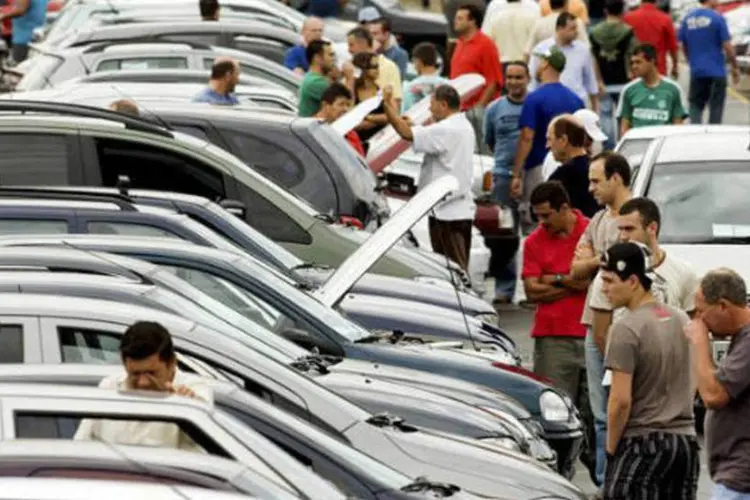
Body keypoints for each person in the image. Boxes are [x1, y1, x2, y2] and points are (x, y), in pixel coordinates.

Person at [600, 241, 699, 500]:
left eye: (610, 281)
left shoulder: (625, 328)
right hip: (684, 444)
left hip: (643, 443)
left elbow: (620, 401)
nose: (604, 288)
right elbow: (695, 377)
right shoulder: (681, 319)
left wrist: (611, 450)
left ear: (633, 281)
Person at [572, 151, 632, 488]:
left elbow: (629, 258)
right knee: (599, 415)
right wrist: (603, 257)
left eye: (597, 180)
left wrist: (595, 258)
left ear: (616, 178)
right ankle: (604, 481)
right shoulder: (597, 220)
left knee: (623, 408)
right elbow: (576, 269)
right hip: (594, 323)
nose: (591, 188)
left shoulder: (636, 212)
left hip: (624, 327)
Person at [74, 321, 214, 449]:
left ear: (172, 363)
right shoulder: (109, 389)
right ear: (125, 365)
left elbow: (208, 447)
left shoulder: (195, 391)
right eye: (134, 374)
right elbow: (81, 446)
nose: (143, 383)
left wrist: (187, 409)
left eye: (151, 374)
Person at [381, 83, 476, 272]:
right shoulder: (462, 125)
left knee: (453, 272)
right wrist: (411, 124)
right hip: (457, 209)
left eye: (431, 104)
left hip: (447, 213)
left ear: (443, 105)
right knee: (454, 268)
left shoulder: (447, 129)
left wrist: (385, 105)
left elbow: (405, 133)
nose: (429, 109)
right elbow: (432, 136)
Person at [523, 181, 590, 402]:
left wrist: (554, 278)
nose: (542, 223)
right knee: (554, 406)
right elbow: (532, 291)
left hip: (592, 333)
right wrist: (573, 282)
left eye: (546, 216)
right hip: (552, 337)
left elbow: (591, 282)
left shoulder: (591, 232)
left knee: (594, 412)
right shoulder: (534, 241)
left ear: (564, 209)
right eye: (538, 217)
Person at [686, 268, 750, 500]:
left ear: (723, 305)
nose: (699, 320)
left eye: (703, 312)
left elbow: (713, 396)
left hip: (741, 476)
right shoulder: (741, 339)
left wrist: (700, 343)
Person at [510, 46, 584, 235]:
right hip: (570, 166)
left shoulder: (534, 99)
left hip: (538, 168)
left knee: (537, 222)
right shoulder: (575, 99)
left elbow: (527, 137)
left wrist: (517, 173)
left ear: (545, 65)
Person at [483, 60, 530, 306]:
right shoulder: (494, 109)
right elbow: (490, 141)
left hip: (531, 175)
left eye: (519, 77)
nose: (513, 82)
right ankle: (505, 288)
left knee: (533, 232)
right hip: (502, 176)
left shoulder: (535, 106)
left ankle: (533, 288)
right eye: (509, 77)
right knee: (504, 235)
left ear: (528, 79)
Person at [450, 3, 504, 153]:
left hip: (476, 112)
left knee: (481, 154)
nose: (456, 21)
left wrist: (479, 108)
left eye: (460, 18)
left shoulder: (486, 45)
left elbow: (493, 81)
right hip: (459, 111)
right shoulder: (460, 43)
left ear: (472, 21)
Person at [679, 0, 740, 124]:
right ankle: (713, 135)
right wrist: (735, 67)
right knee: (716, 108)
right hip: (717, 72)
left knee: (695, 106)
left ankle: (696, 133)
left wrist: (691, 60)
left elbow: (683, 45)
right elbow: (727, 46)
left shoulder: (687, 19)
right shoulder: (717, 18)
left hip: (697, 71)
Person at [590, 0, 638, 150]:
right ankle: (622, 145)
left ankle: (608, 146)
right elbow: (632, 54)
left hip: (603, 80)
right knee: (623, 115)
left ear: (605, 11)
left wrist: (597, 80)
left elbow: (594, 58)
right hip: (624, 80)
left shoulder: (594, 32)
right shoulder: (628, 31)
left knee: (604, 114)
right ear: (622, 11)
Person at [529, 12, 599, 111]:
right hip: (549, 105)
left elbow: (590, 81)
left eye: (576, 28)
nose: (576, 32)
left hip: (578, 104)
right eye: (572, 29)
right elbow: (533, 79)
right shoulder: (542, 49)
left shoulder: (583, 50)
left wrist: (595, 109)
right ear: (560, 29)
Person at [617, 44, 687, 136]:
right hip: (638, 144)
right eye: (632, 63)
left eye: (638, 62)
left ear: (652, 61)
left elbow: (678, 126)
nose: (634, 66)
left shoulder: (673, 89)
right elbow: (624, 128)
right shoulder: (628, 90)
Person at [546, 114, 599, 217]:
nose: (547, 145)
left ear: (563, 140)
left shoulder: (560, 179)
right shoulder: (599, 170)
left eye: (549, 139)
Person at [542, 108, 608, 180]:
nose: (590, 149)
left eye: (590, 142)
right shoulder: (554, 164)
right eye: (587, 141)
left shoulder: (560, 176)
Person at [346, 27, 402, 109]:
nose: (349, 50)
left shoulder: (388, 66)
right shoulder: (350, 66)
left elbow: (395, 105)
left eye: (351, 45)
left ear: (363, 43)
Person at [623, 0, 678, 79]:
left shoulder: (627, 18)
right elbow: (673, 47)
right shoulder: (665, 19)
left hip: (634, 71)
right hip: (658, 71)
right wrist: (675, 67)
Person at [483, 0, 539, 74]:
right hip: (522, 63)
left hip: (510, 63)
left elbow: (487, 39)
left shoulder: (495, 14)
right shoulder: (533, 11)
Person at [525, 0, 589, 60]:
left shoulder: (539, 24)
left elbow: (528, 52)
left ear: (550, 4)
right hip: (571, 64)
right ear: (566, 4)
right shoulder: (576, 22)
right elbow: (586, 48)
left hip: (546, 66)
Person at [315, 83, 366, 156]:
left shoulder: (351, 134)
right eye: (341, 104)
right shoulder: (310, 130)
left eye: (348, 105)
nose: (345, 109)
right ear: (325, 105)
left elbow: (360, 164)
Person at [351, 52, 389, 148]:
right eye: (374, 66)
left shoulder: (380, 90)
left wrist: (366, 117)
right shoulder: (352, 89)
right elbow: (350, 121)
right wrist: (377, 120)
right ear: (363, 68)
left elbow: (390, 116)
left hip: (379, 144)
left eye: (377, 66)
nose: (377, 69)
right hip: (357, 144)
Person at [402, 42, 448, 112]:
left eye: (414, 61)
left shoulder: (409, 87)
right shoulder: (449, 85)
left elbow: (405, 113)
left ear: (418, 62)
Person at [298, 40, 334, 118]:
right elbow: (343, 107)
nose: (333, 59)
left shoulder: (311, 77)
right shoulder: (316, 82)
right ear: (317, 58)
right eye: (330, 55)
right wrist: (350, 78)